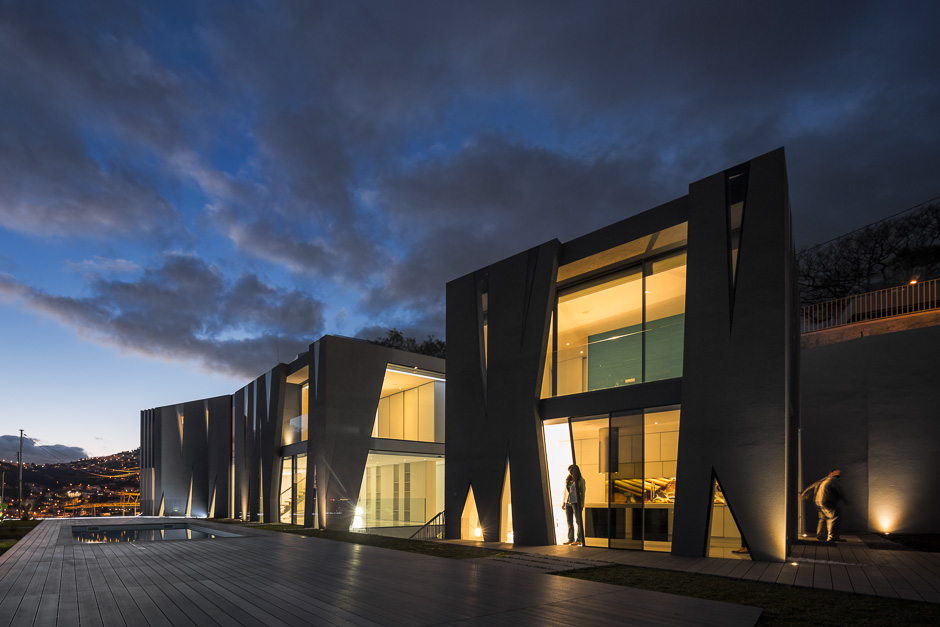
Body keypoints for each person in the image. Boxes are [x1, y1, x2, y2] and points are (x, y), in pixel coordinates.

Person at [801, 469, 848, 542]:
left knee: (823, 518)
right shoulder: (833, 480)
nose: (838, 475)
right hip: (827, 501)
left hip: (818, 501)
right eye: (837, 474)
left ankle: (821, 535)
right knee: (834, 517)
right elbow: (838, 490)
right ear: (831, 473)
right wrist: (844, 499)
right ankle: (832, 537)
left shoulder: (823, 480)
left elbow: (812, 486)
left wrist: (804, 494)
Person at [561, 464, 586, 546]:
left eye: (571, 470)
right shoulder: (568, 479)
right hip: (567, 503)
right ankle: (570, 539)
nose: (570, 472)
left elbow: (583, 493)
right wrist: (563, 503)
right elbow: (565, 492)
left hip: (576, 503)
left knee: (578, 521)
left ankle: (579, 539)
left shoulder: (581, 480)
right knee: (569, 522)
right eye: (569, 471)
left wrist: (581, 505)